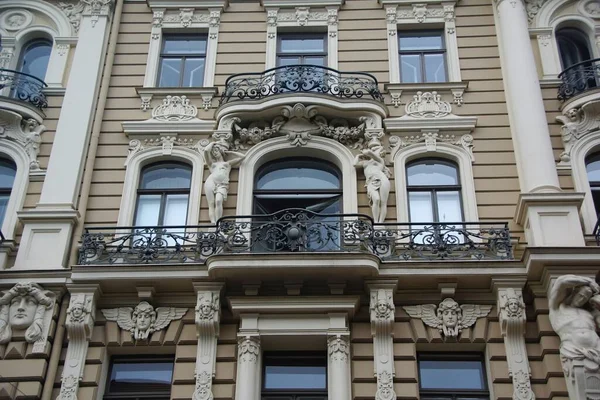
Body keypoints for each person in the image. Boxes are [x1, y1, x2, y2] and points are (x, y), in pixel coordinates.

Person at [548, 275, 600, 373]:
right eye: (581, 296)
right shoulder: (558, 309)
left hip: (597, 349)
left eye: (585, 299)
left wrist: (597, 301)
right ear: (575, 292)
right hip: (573, 350)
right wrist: (588, 280)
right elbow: (561, 281)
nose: (581, 300)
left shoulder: (589, 313)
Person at [203, 141, 245, 223]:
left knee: (218, 201)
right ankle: (213, 223)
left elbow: (243, 156)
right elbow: (206, 151)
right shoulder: (212, 164)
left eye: (216, 151)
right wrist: (213, 143)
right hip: (210, 182)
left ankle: (218, 222)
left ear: (220, 151)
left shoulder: (227, 164)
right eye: (213, 152)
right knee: (211, 204)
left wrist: (228, 152)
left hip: (222, 185)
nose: (214, 153)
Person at [354, 143, 391, 223]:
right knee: (376, 199)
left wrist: (371, 151)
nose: (375, 152)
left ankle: (380, 223)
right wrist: (358, 156)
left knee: (383, 202)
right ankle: (376, 221)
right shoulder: (365, 163)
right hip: (370, 182)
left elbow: (371, 154)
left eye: (376, 150)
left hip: (382, 179)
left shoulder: (380, 161)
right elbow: (355, 164)